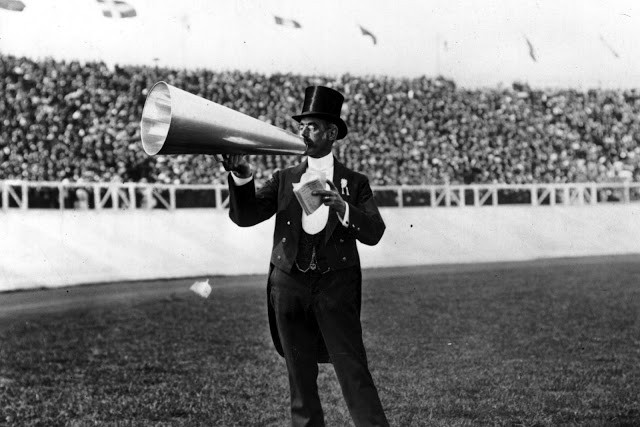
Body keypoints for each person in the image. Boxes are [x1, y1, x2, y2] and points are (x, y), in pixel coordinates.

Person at [222, 86, 389, 427]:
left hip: (335, 288)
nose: (303, 132)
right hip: (288, 286)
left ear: (331, 133)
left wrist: (345, 208)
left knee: (353, 371)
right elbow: (245, 216)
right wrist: (241, 176)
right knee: (299, 378)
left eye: (312, 126)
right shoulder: (284, 178)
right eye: (303, 126)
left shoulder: (355, 183)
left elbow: (374, 232)